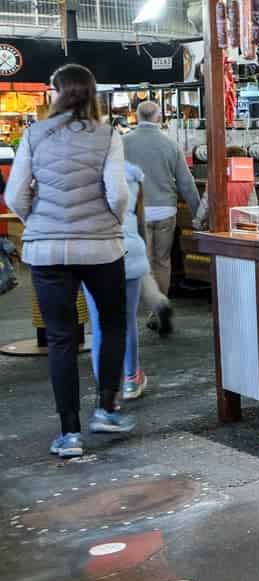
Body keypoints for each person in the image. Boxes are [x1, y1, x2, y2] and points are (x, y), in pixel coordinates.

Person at [5, 64, 134, 457]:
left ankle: (70, 434)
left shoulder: (33, 133)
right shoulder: (108, 135)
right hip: (101, 248)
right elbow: (118, 193)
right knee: (111, 326)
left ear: (56, 93)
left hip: (47, 251)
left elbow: (14, 196)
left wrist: (38, 223)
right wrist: (110, 223)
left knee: (61, 338)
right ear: (93, 93)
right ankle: (107, 409)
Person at [124, 99, 200, 334]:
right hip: (166, 210)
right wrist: (198, 213)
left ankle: (144, 305)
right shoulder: (171, 145)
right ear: (159, 118)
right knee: (163, 260)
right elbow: (186, 183)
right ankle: (158, 308)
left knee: (142, 262)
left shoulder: (122, 143)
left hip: (138, 212)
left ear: (137, 117)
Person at [86, 161, 157, 401]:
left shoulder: (82, 172)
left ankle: (106, 392)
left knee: (99, 325)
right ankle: (131, 379)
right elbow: (140, 220)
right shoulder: (132, 175)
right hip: (130, 249)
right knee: (126, 321)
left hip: (94, 252)